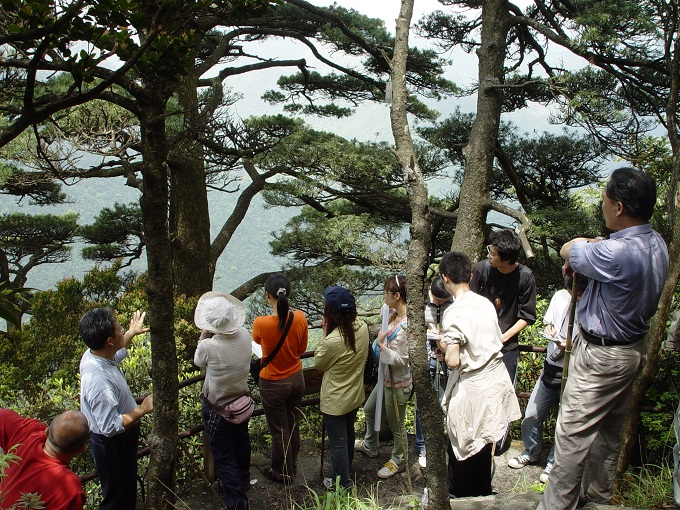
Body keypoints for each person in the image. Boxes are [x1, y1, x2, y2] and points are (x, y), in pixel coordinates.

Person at [538, 167, 669, 510]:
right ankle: (597, 500)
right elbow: (602, 255)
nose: (603, 205)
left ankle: (555, 507)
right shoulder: (654, 244)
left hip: (601, 356)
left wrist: (582, 247)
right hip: (631, 350)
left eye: (606, 200)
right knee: (609, 433)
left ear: (619, 207)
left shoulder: (616, 254)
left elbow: (569, 249)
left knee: (571, 436)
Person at [437, 251, 521, 498]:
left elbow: (452, 361)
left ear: (445, 278)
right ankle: (483, 493)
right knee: (485, 442)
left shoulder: (454, 311)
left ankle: (462, 496)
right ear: (471, 276)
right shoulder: (484, 302)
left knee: (463, 444)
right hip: (495, 377)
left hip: (472, 385)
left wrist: (443, 344)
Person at [508, 274, 588, 482]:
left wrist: (570, 345)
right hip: (551, 367)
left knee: (565, 421)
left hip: (575, 372)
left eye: (579, 294)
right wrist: (551, 332)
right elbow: (548, 324)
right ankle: (532, 452)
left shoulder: (592, 305)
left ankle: (553, 462)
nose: (576, 297)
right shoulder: (560, 297)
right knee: (532, 414)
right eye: (574, 293)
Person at [79, 308, 154, 510]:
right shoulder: (99, 381)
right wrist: (142, 409)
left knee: (125, 488)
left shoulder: (94, 354)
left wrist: (131, 333)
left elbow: (116, 355)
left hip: (119, 441)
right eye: (120, 329)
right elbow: (110, 426)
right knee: (117, 498)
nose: (123, 331)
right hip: (113, 444)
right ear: (110, 341)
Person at [194, 291, 253, 510]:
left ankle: (237, 503)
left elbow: (197, 361)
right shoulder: (246, 335)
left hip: (217, 408)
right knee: (241, 442)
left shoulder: (208, 346)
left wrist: (204, 333)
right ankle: (244, 480)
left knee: (224, 455)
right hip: (242, 402)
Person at [252, 273, 309, 484]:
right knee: (293, 423)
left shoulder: (261, 322)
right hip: (296, 378)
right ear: (289, 293)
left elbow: (257, 342)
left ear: (268, 295)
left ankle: (282, 472)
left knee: (279, 430)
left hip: (273, 383)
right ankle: (291, 465)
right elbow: (301, 349)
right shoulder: (300, 317)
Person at [355, 275, 412, 479]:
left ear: (397, 295)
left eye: (386, 293)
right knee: (370, 409)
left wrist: (381, 345)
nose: (384, 298)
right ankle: (371, 444)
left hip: (398, 382)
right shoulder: (391, 315)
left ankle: (399, 459)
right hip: (385, 378)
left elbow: (402, 359)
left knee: (397, 425)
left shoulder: (407, 326)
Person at [314, 286, 369, 490]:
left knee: (338, 443)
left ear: (332, 313)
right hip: (354, 394)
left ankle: (343, 484)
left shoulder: (334, 340)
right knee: (348, 435)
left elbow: (319, 362)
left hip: (335, 401)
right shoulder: (362, 327)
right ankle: (344, 469)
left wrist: (324, 332)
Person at [470, 228, 537, 386]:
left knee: (503, 395)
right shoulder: (482, 269)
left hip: (506, 347)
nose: (488, 256)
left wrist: (502, 338)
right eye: (489, 250)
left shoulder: (525, 277)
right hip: (479, 344)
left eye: (492, 254)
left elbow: (526, 316)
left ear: (507, 260)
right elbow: (470, 304)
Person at [0, 408, 89, 510]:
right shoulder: (70, 490)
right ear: (82, 449)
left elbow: (3, 414)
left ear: (46, 432)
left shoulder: (28, 433)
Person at [414, 275, 453, 468]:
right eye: (439, 301)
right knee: (423, 405)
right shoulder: (419, 301)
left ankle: (444, 443)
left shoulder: (453, 303)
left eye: (445, 301)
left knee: (446, 403)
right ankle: (422, 446)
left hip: (448, 359)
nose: (441, 303)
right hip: (426, 358)